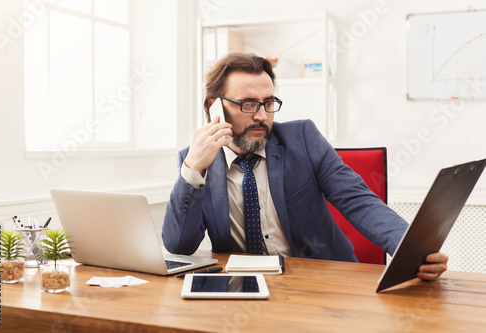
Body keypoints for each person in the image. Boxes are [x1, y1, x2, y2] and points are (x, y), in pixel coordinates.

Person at [162, 52, 448, 281]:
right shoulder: (196, 160)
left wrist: (410, 250)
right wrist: (193, 169)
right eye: (248, 104)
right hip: (243, 287)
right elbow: (178, 246)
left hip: (322, 282)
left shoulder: (303, 139)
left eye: (269, 102)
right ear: (215, 107)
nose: (262, 116)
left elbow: (359, 201)